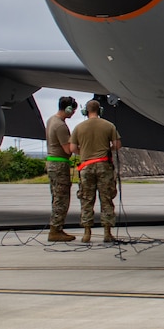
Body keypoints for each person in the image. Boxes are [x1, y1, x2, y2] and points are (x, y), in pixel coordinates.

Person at [71, 97, 122, 243]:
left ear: (85, 112)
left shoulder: (79, 127)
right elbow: (117, 144)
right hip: (104, 165)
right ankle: (107, 233)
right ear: (100, 111)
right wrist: (108, 148)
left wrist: (86, 153)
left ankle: (87, 233)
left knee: (86, 199)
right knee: (106, 199)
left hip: (86, 166)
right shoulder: (108, 125)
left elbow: (73, 148)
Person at [44, 95, 78, 243]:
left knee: (56, 196)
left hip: (51, 162)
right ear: (68, 109)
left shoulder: (51, 120)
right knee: (62, 198)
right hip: (59, 164)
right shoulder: (61, 126)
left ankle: (56, 228)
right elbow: (67, 150)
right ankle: (55, 230)